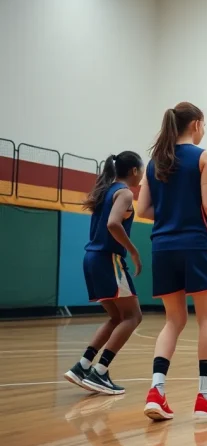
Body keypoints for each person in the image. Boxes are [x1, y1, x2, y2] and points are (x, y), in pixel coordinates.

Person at [138, 102, 207, 421]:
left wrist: (171, 213)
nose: (204, 130)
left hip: (162, 247)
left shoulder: (155, 162)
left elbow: (142, 210)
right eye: (204, 125)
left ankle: (156, 391)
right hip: (195, 245)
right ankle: (206, 398)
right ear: (195, 124)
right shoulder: (205, 156)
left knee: (173, 321)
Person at [64, 151, 144, 395]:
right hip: (108, 258)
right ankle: (100, 371)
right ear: (134, 171)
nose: (142, 175)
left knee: (117, 317)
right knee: (133, 316)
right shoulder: (125, 192)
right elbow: (112, 223)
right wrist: (133, 251)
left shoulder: (105, 190)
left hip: (92, 258)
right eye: (142, 170)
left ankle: (82, 366)